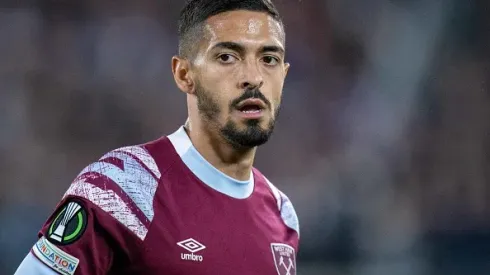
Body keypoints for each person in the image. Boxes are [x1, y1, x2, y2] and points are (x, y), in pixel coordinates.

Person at [14, 0, 300, 274]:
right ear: (184, 74)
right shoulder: (121, 187)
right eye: (227, 57)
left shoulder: (282, 214)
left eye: (269, 59)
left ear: (284, 75)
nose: (253, 77)